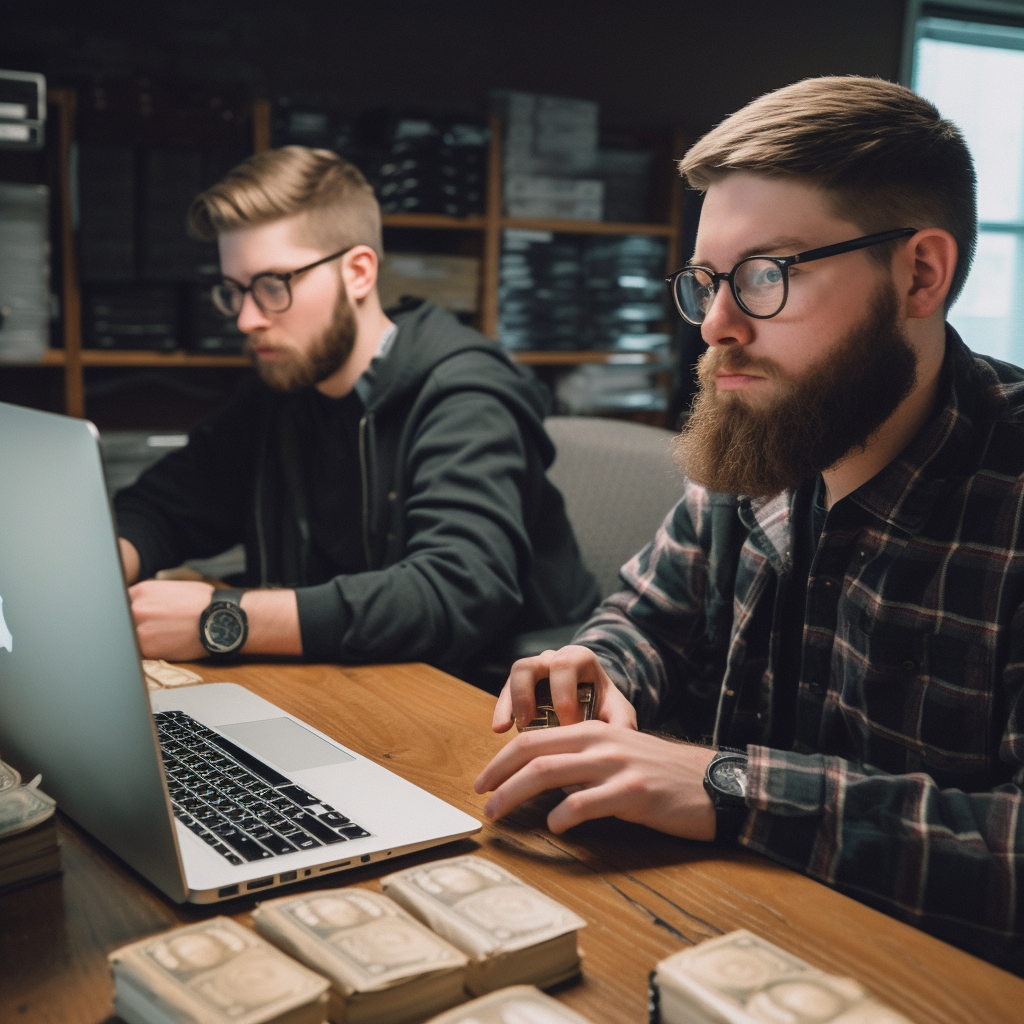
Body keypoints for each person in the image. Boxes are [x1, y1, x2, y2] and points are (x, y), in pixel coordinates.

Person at [475, 76, 1024, 973]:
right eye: (705, 282)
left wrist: (731, 787)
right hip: (723, 935)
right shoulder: (766, 434)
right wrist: (603, 671)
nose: (718, 327)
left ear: (921, 273)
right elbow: (646, 619)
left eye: (768, 275)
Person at [116, 146, 598, 680]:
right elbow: (163, 505)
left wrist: (224, 619)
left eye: (273, 286)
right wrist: (105, 564)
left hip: (485, 706)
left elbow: (457, 589)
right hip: (352, 686)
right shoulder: (285, 387)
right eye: (233, 292)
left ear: (359, 272)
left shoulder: (465, 393)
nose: (248, 319)